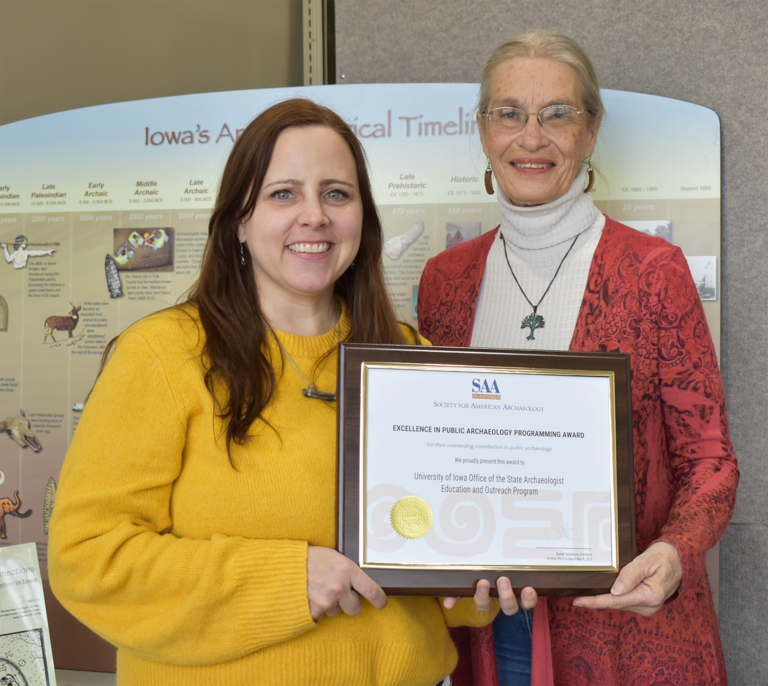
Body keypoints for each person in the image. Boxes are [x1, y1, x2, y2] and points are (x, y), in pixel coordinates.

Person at [48, 98, 536, 686]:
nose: (315, 217)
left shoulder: (413, 359)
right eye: (284, 194)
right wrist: (283, 580)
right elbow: (87, 558)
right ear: (238, 221)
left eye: (336, 193)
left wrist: (482, 583)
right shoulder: (161, 355)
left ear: (363, 217)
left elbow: (440, 570)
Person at [417, 32, 738, 686]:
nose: (531, 136)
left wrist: (675, 553)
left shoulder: (653, 272)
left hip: (623, 630)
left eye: (558, 114)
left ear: (591, 133)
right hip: (491, 630)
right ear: (482, 131)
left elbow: (710, 460)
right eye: (509, 113)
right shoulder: (444, 280)